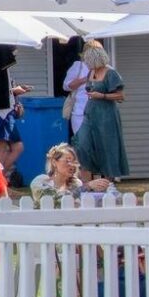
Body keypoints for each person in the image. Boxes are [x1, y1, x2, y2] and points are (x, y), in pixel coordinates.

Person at [70, 45, 128, 182]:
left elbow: (121, 96)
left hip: (106, 115)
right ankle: (87, 183)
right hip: (90, 114)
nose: (86, 63)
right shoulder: (91, 73)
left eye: (88, 60)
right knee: (82, 144)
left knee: (107, 146)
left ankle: (107, 183)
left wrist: (102, 95)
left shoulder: (111, 73)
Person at [29, 142, 110, 197]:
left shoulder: (76, 183)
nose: (72, 165)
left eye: (74, 162)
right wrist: (87, 186)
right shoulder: (40, 181)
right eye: (67, 161)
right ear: (54, 162)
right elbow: (56, 198)